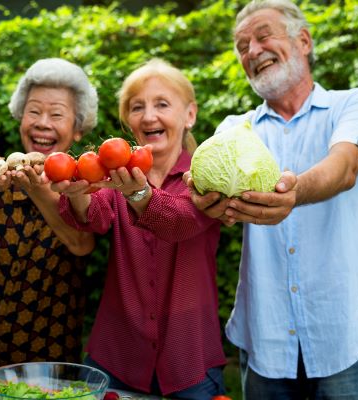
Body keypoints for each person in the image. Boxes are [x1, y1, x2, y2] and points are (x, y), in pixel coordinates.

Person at [184, 0, 358, 399]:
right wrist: (204, 200)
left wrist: (292, 193)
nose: (252, 51)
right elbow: (213, 202)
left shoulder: (355, 104)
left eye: (263, 37)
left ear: (304, 41)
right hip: (267, 337)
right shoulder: (233, 128)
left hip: (347, 331)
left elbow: (343, 168)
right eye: (242, 46)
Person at [51, 58, 227, 399]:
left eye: (162, 104)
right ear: (128, 121)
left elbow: (183, 221)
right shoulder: (115, 172)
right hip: (118, 354)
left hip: (190, 358)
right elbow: (95, 216)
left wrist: (138, 193)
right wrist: (78, 195)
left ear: (189, 114)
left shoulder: (208, 176)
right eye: (137, 107)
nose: (149, 116)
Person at [0, 58, 97, 368]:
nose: (42, 123)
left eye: (57, 115)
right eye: (34, 111)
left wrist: (36, 188)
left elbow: (81, 242)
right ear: (21, 117)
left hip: (49, 345)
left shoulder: (85, 183)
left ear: (78, 129)